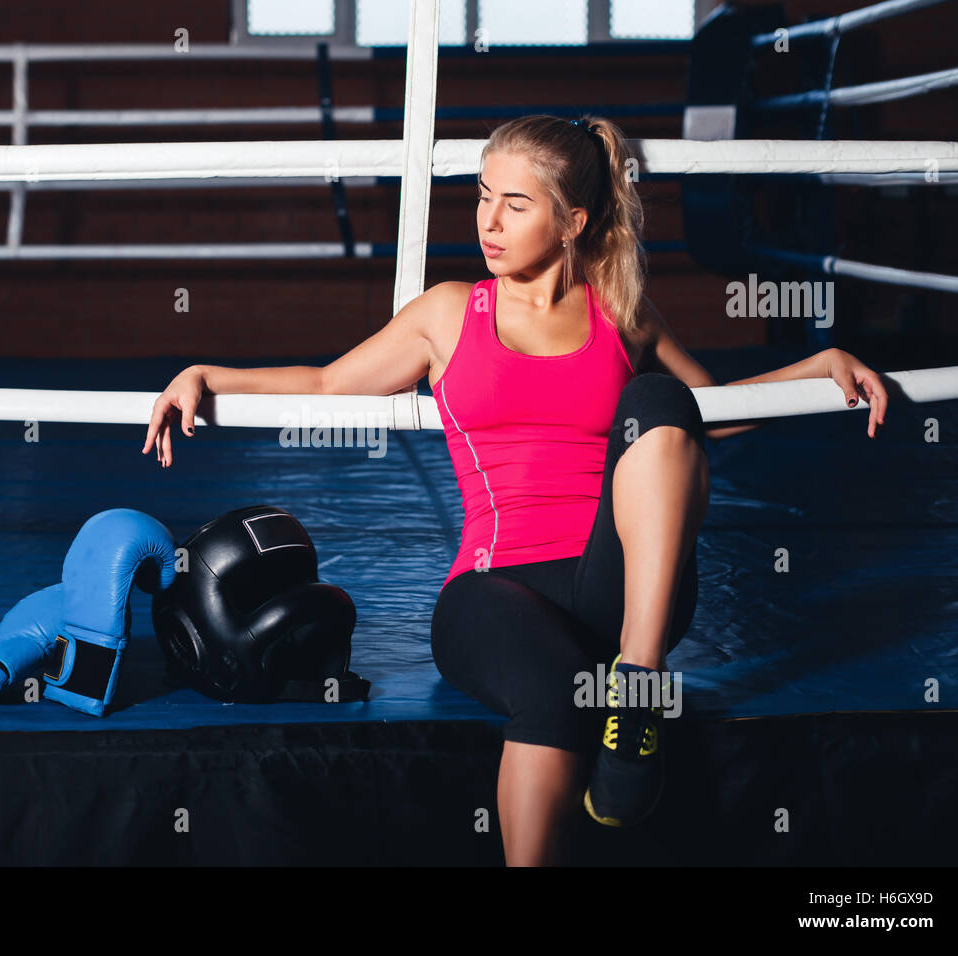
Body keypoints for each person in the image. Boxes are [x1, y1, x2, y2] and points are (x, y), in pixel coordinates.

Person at [142, 114, 889, 866]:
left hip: (623, 588)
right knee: (558, 690)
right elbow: (330, 382)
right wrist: (206, 375)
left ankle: (638, 677)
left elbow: (709, 418)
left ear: (573, 222)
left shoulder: (619, 313)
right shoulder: (448, 313)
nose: (488, 222)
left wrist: (816, 368)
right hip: (494, 590)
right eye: (482, 196)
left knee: (659, 405)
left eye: (516, 205)